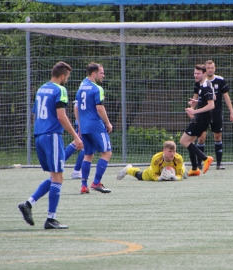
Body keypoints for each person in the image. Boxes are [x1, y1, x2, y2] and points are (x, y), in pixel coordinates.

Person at [18, 61, 83, 229]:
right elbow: (61, 116)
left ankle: (29, 203)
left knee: (55, 176)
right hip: (51, 136)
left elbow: (36, 114)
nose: (66, 80)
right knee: (58, 177)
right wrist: (76, 136)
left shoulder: (41, 89)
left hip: (39, 135)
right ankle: (50, 219)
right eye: (67, 77)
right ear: (62, 76)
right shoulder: (60, 90)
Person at [75, 62, 113, 194]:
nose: (103, 75)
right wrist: (108, 123)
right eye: (101, 73)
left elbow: (76, 107)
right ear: (93, 73)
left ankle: (84, 185)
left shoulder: (81, 88)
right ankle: (96, 182)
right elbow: (99, 108)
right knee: (107, 152)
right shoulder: (97, 88)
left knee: (88, 155)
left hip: (84, 126)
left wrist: (80, 124)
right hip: (96, 125)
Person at [192, 60, 233, 171]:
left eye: (212, 67)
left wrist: (232, 111)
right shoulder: (200, 82)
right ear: (205, 70)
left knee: (217, 137)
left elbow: (226, 97)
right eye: (208, 68)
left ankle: (219, 163)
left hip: (216, 113)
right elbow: (195, 97)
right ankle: (199, 164)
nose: (210, 69)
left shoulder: (220, 80)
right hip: (203, 114)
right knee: (201, 138)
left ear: (215, 68)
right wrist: (192, 110)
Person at [180, 64, 214, 176]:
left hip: (202, 119)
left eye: (198, 73)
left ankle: (205, 159)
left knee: (184, 141)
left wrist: (194, 111)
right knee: (190, 142)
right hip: (203, 119)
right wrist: (197, 102)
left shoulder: (205, 86)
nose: (196, 75)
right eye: (195, 73)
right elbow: (213, 97)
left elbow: (211, 105)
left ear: (204, 74)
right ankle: (195, 169)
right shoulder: (204, 85)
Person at [116, 141, 187, 181]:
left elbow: (179, 175)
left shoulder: (178, 158)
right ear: (164, 151)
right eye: (170, 151)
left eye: (174, 151)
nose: (172, 154)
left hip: (173, 171)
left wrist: (174, 178)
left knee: (182, 173)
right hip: (154, 171)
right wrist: (160, 178)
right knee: (140, 176)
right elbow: (154, 175)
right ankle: (128, 169)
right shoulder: (156, 158)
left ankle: (183, 168)